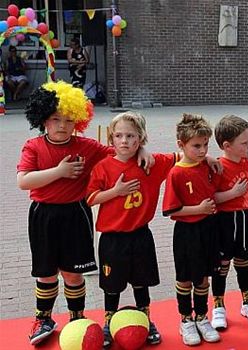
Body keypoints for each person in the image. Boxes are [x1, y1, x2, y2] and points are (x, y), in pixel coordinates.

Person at [16, 81, 152, 346]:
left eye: (69, 119)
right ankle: (43, 317)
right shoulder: (33, 146)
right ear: (43, 119)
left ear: (78, 120)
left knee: (73, 273)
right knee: (45, 272)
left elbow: (121, 150)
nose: (62, 125)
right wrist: (59, 172)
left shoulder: (86, 146)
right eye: (55, 119)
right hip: (43, 215)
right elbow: (23, 181)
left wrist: (143, 148)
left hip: (76, 214)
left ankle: (76, 317)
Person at [86, 112, 169, 347]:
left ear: (140, 138)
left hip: (141, 235)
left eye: (130, 136)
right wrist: (116, 192)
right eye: (118, 135)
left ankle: (145, 319)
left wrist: (212, 160)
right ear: (111, 139)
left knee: (141, 282)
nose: (124, 141)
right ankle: (109, 321)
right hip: (112, 239)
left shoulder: (150, 163)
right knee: (111, 285)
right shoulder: (103, 167)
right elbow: (91, 198)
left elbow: (182, 157)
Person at [162, 114, 221, 346]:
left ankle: (202, 317)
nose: (202, 150)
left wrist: (211, 158)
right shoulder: (176, 173)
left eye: (206, 145)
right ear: (181, 145)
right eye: (196, 145)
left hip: (208, 229)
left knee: (204, 277)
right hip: (187, 232)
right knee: (185, 279)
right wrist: (199, 208)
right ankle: (186, 320)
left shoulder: (206, 163)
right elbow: (171, 212)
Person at [211, 115, 248, 328]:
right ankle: (218, 307)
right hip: (224, 221)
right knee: (222, 266)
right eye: (244, 143)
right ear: (227, 146)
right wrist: (232, 193)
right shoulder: (217, 167)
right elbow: (211, 198)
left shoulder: (246, 162)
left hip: (245, 219)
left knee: (243, 263)